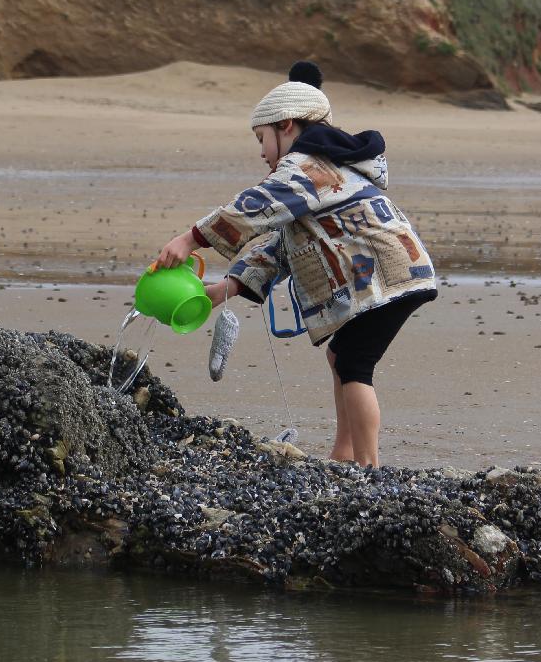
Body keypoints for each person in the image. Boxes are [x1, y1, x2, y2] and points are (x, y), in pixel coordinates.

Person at [155, 61, 437, 467]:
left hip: (387, 279)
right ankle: (344, 452)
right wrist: (226, 289)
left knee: (356, 364)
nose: (261, 152)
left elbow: (257, 206)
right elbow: (282, 247)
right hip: (392, 277)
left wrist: (190, 239)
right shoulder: (326, 169)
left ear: (286, 126)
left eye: (261, 138)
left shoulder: (307, 168)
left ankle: (369, 466)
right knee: (341, 354)